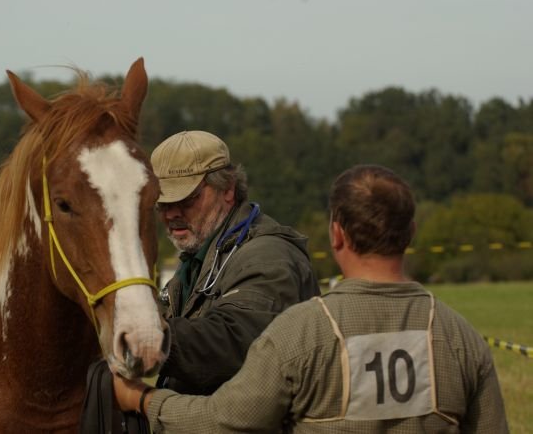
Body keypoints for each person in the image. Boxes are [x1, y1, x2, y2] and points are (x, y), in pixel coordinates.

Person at [115, 164, 509, 433]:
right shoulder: (462, 339)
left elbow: (223, 422)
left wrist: (145, 400)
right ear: (413, 231)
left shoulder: (298, 335)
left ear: (336, 235)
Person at [151, 130, 319, 395]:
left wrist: (150, 338)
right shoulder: (196, 258)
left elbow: (235, 342)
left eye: (186, 199)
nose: (172, 213)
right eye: (162, 203)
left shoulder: (268, 255)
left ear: (227, 189)